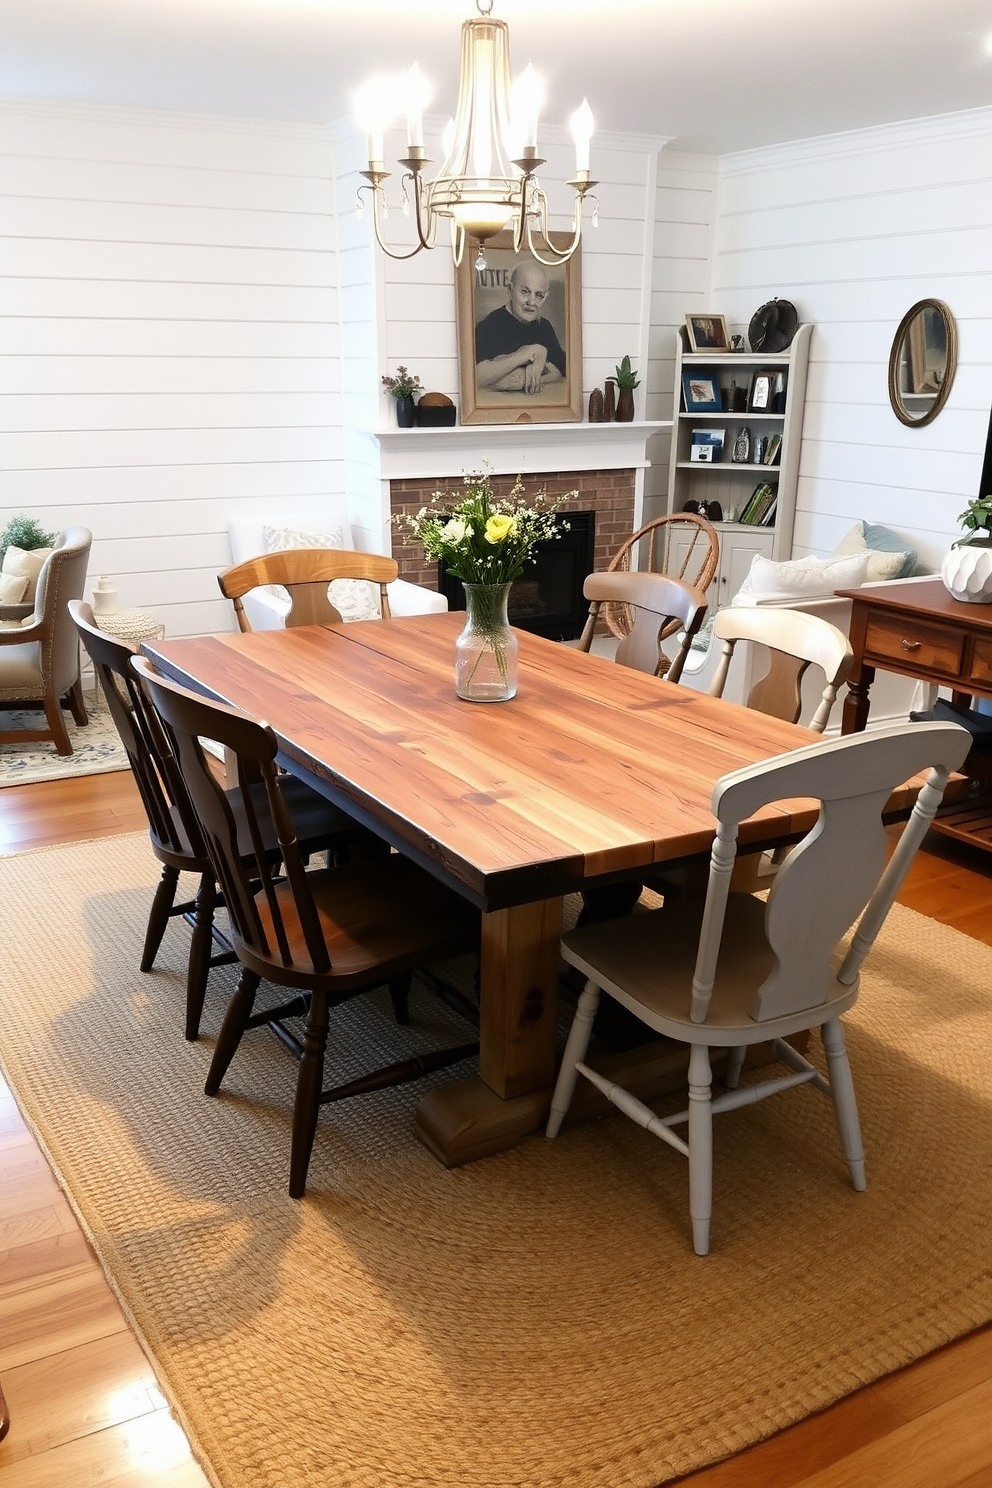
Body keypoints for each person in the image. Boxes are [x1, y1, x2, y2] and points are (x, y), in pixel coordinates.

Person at [475, 262, 566, 394]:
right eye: (525, 292)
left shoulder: (544, 327)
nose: (532, 302)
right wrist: (524, 355)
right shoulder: (489, 326)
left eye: (539, 295)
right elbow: (476, 378)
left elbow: (562, 370)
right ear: (510, 290)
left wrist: (531, 374)